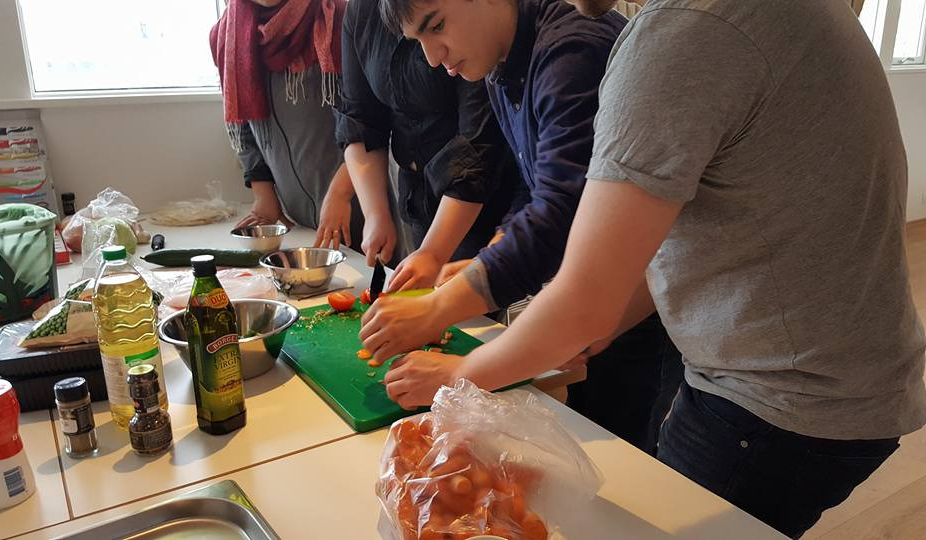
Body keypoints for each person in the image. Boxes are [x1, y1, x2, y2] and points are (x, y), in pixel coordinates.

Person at [375, 0, 926, 537]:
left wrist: (457, 373)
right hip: (840, 378)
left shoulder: (681, 33)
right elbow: (670, 230)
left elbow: (583, 291)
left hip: (781, 399)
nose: (431, 58)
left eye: (436, 26)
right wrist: (598, 322)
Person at [364, 0, 683, 453]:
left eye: (436, 26)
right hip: (600, 303)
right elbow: (534, 182)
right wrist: (487, 256)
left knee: (621, 458)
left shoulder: (571, 52)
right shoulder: (504, 61)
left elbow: (561, 211)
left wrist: (438, 311)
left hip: (643, 305)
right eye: (419, 41)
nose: (433, 57)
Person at [335, 0, 522, 286]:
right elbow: (360, 120)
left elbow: (478, 145)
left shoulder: (478, 34)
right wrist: (375, 214)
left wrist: (433, 253)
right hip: (417, 199)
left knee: (476, 302)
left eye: (436, 27)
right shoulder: (360, 12)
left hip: (483, 203)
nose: (433, 59)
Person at [211, 0, 376, 252]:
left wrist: (341, 193)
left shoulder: (338, 18)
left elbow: (369, 117)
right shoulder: (227, 35)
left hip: (363, 207)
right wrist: (264, 195)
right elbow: (240, 123)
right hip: (300, 224)